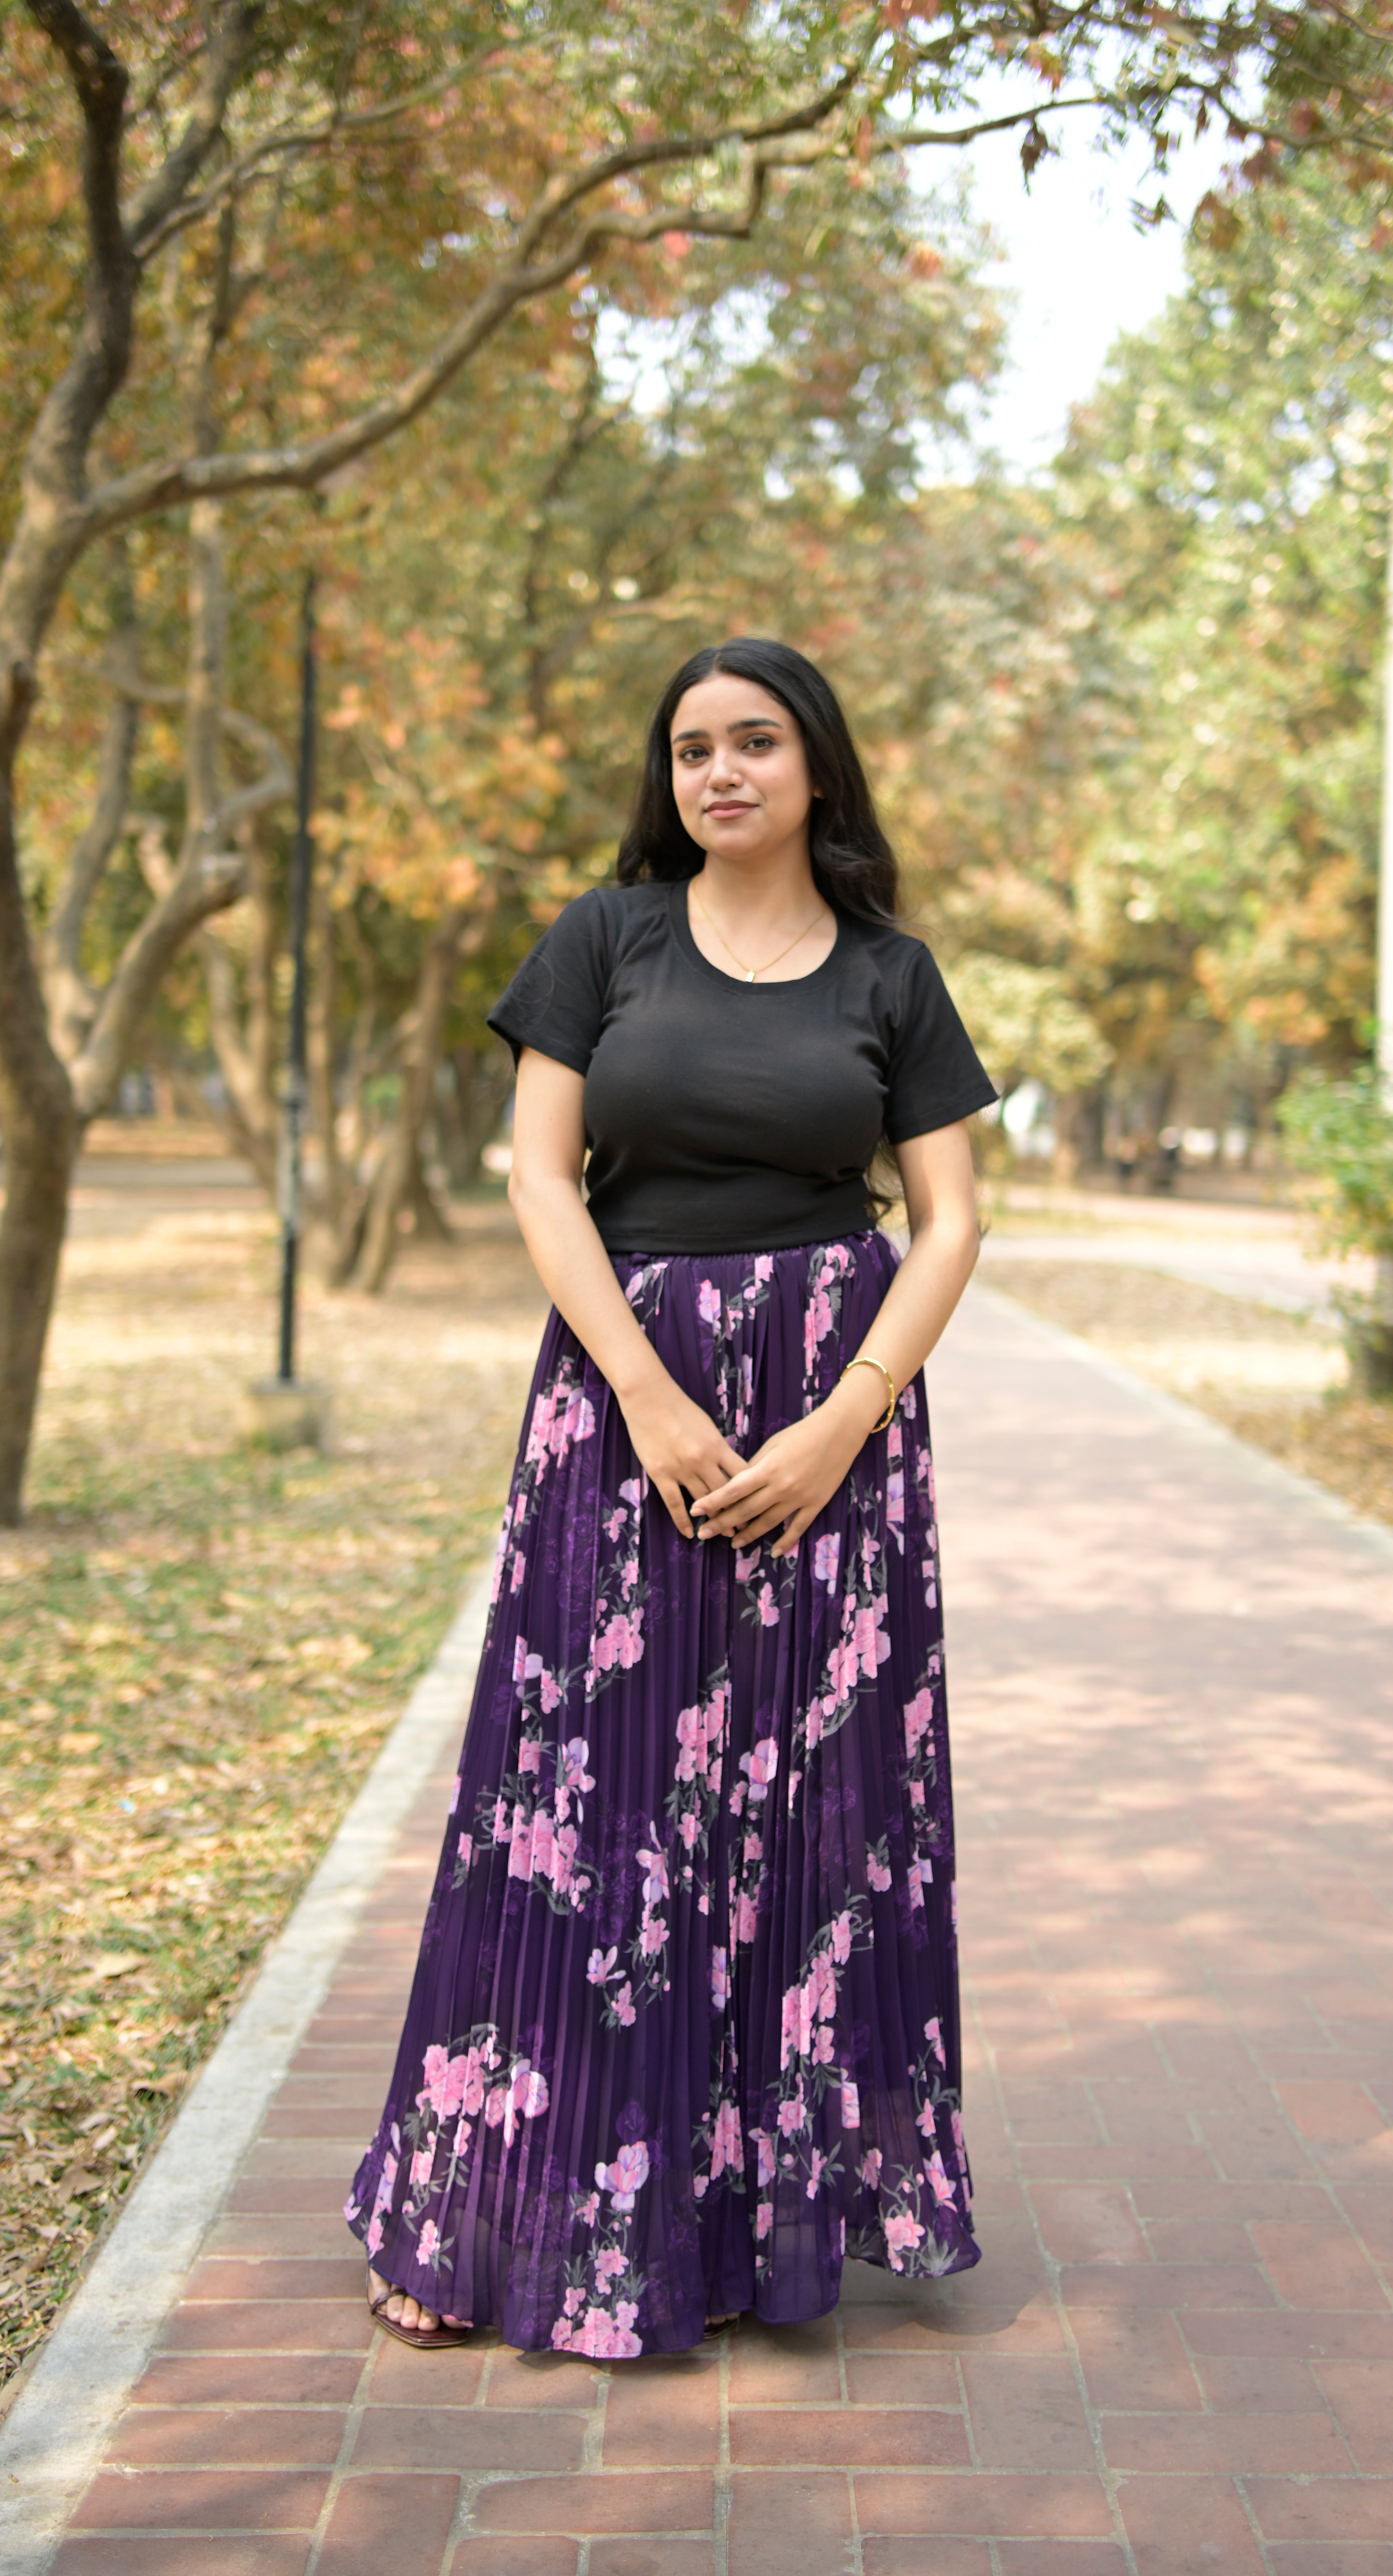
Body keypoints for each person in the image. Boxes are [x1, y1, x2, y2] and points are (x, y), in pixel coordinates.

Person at [346, 637, 996, 2357]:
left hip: (829, 1437)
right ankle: (481, 2207)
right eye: (693, 746)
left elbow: (949, 1222)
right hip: (621, 1414)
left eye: (756, 742)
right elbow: (538, 1176)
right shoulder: (605, 938)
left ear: (816, 769)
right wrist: (644, 1389)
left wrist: (847, 1418)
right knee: (575, 1811)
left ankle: (742, 2223)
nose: (720, 771)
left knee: (803, 1819)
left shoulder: (892, 975)